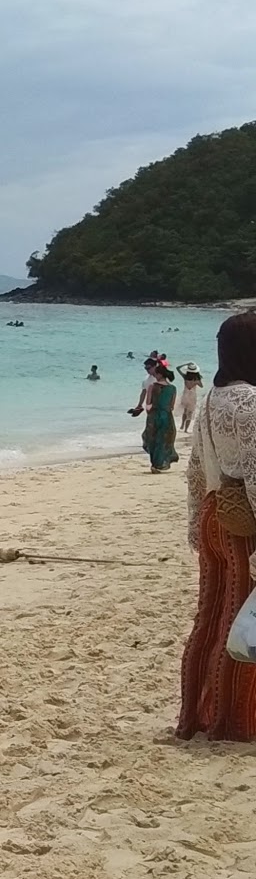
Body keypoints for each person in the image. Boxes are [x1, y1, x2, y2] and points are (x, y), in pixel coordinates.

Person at [182, 313, 256, 741]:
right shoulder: (250, 402)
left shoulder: (213, 397)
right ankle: (234, 722)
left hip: (213, 511)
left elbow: (195, 469)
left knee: (208, 619)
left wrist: (195, 521)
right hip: (242, 521)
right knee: (241, 620)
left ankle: (193, 716)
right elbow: (255, 472)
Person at [142, 363, 178, 473]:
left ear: (159, 374)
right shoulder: (173, 388)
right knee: (164, 440)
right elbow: (171, 406)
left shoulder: (152, 386)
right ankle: (160, 464)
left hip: (154, 415)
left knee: (152, 439)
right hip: (167, 416)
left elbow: (148, 404)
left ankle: (154, 464)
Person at [180, 362, 203, 431]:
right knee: (190, 413)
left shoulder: (185, 377)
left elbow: (178, 368)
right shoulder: (196, 380)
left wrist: (185, 364)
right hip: (192, 396)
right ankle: (186, 429)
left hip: (185, 395)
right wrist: (197, 380)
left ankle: (182, 424)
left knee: (185, 411)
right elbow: (201, 386)